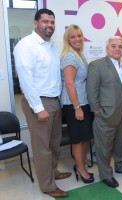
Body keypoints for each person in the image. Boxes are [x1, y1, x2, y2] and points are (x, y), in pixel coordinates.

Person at [13, 9, 71, 198]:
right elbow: (26, 80)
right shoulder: (26, 45)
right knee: (42, 148)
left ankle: (52, 173)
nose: (49, 25)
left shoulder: (52, 45)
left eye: (52, 22)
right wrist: (38, 108)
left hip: (54, 101)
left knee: (54, 144)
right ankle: (47, 186)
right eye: (45, 21)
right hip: (39, 102)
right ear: (36, 23)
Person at [87, 36, 122, 188]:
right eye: (113, 46)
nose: (117, 49)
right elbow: (91, 89)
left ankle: (121, 166)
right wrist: (95, 110)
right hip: (105, 113)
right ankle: (106, 175)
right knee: (104, 146)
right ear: (107, 48)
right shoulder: (97, 65)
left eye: (120, 46)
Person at [60, 25, 94, 184]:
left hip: (83, 103)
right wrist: (77, 107)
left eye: (79, 35)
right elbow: (69, 83)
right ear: (68, 40)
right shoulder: (70, 57)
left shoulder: (79, 55)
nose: (77, 39)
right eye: (73, 37)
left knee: (86, 137)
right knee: (78, 139)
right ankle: (80, 169)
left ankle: (81, 164)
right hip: (74, 105)